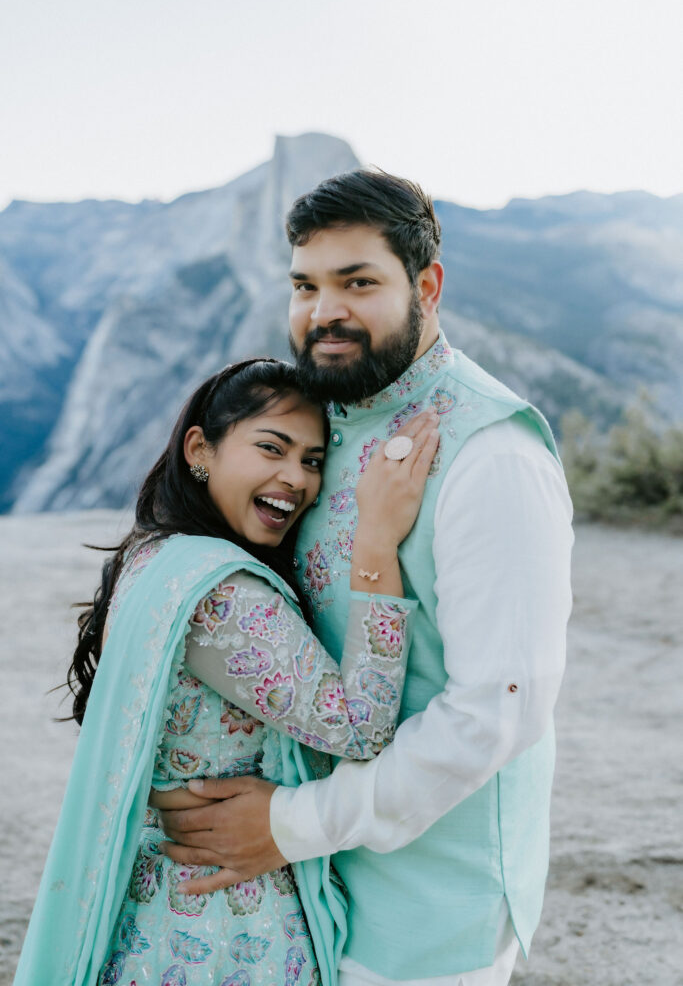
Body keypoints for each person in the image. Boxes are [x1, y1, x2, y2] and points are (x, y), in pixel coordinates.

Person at [158, 171, 575, 986]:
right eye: (306, 285)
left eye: (357, 283)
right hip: (303, 880)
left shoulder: (493, 460)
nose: (324, 313)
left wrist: (290, 823)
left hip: (422, 906)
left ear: (426, 286)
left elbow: (497, 713)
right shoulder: (325, 419)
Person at [13, 358, 440, 986]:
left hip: (159, 905)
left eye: (314, 461)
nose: (294, 479)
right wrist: (375, 543)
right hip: (226, 928)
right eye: (272, 447)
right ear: (199, 450)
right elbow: (360, 729)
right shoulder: (224, 594)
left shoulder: (156, 555)